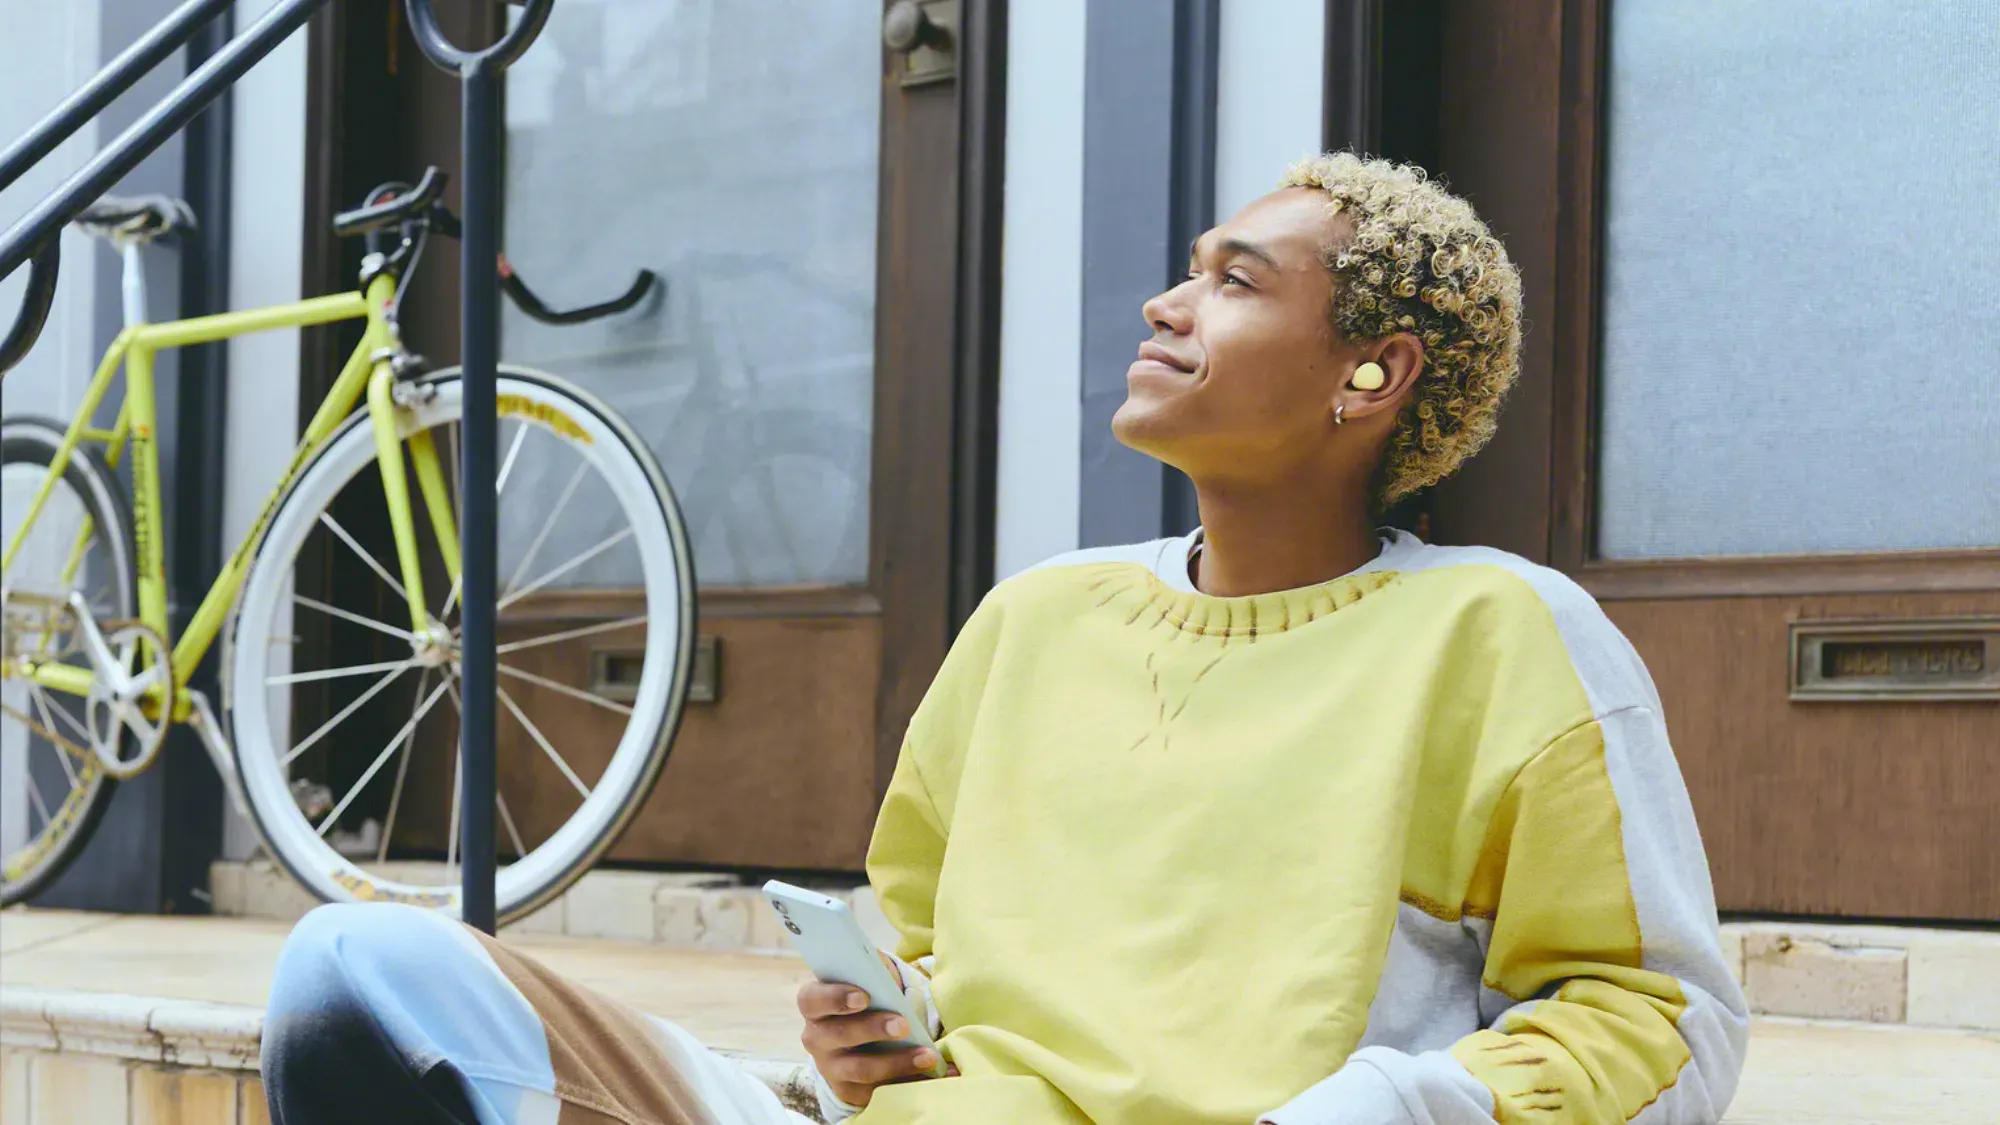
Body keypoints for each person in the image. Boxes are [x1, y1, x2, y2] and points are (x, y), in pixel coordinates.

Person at [261, 152, 1748, 1125]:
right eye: (1189, 268)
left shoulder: (1502, 635)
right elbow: (907, 935)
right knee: (361, 976)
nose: (1167, 304)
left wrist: (1386, 1110)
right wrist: (872, 1031)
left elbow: (1656, 1019)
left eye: (1237, 281)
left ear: (1376, 368)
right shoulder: (1039, 616)